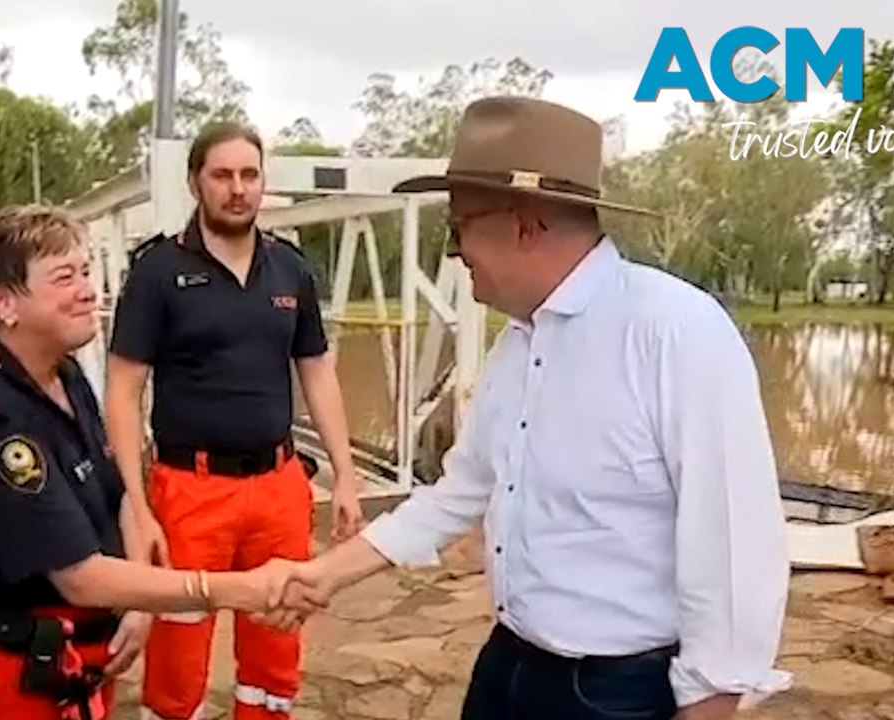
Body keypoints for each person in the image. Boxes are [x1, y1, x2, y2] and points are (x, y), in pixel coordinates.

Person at [268, 97, 792, 719]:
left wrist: (710, 703)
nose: (456, 251)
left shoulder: (675, 333)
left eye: (458, 226)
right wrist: (327, 572)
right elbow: (458, 493)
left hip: (615, 692)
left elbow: (733, 548)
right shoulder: (519, 344)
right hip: (510, 665)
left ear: (521, 223)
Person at [0, 205, 321, 720]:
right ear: (2, 302)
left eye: (85, 271)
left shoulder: (63, 374)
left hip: (61, 653)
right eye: (63, 278)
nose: (87, 291)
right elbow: (80, 577)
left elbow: (114, 488)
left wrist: (140, 601)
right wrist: (236, 589)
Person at [105, 121, 362, 720]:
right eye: (222, 175)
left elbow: (317, 371)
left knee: (277, 648)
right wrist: (138, 508)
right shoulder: (158, 271)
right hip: (189, 491)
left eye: (249, 175)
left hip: (278, 488)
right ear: (197, 182)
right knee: (178, 658)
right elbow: (123, 391)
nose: (238, 189)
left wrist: (345, 475)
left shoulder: (290, 270)